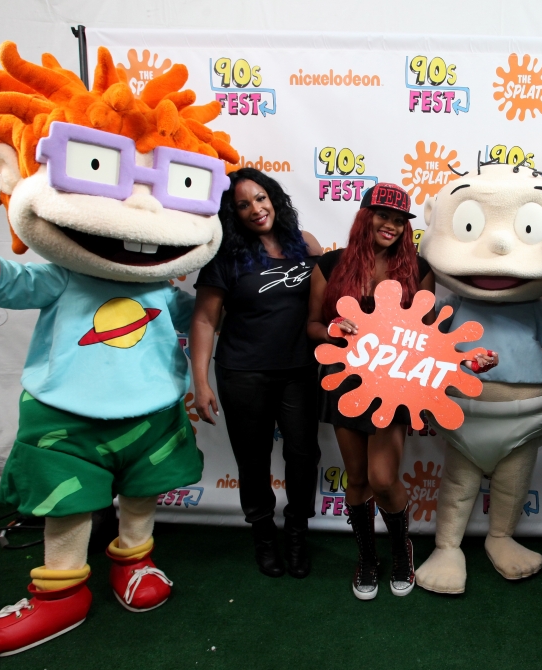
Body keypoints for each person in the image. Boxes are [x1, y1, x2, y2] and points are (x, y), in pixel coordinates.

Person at [307, 182, 496, 600]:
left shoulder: (416, 268)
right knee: (356, 478)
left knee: (382, 477)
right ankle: (366, 558)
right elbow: (313, 326)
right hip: (344, 382)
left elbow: (427, 339)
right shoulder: (331, 264)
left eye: (399, 220)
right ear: (364, 216)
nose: (391, 226)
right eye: (383, 216)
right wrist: (334, 330)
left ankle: (401, 551)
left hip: (395, 386)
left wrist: (465, 359)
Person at [191, 168, 324, 579]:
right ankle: (264, 536)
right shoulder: (226, 256)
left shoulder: (306, 245)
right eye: (243, 204)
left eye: (261, 198)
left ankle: (298, 532)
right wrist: (200, 382)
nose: (256, 209)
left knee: (304, 456)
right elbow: (204, 321)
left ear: (274, 199)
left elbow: (329, 300)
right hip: (243, 373)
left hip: (301, 371)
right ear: (232, 213)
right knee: (253, 460)